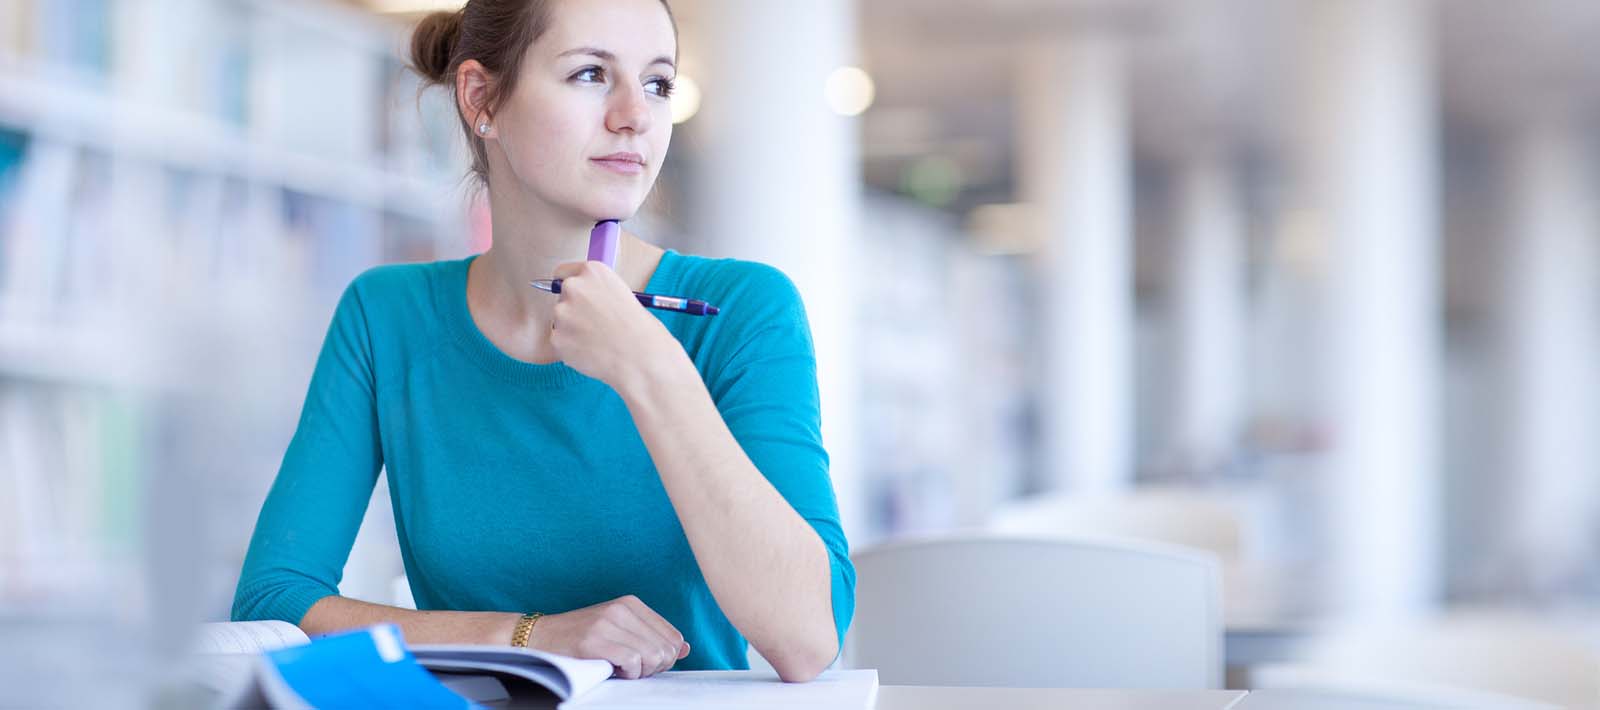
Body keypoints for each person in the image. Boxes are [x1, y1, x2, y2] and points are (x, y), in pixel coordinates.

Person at [231, 0, 853, 683]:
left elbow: (808, 637)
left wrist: (650, 370)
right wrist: (533, 637)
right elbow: (274, 603)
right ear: (480, 98)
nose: (635, 116)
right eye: (590, 74)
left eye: (657, 84)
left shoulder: (741, 311)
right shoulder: (386, 317)